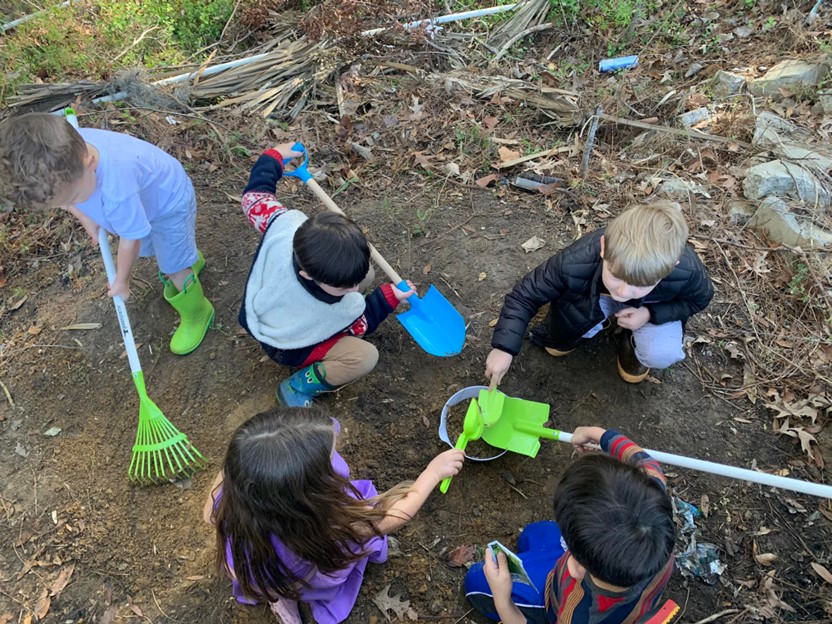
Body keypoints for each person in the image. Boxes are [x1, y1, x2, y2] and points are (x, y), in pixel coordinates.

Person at [203, 406, 465, 624]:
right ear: (309, 495)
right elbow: (395, 516)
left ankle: (280, 601)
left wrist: (236, 465)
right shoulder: (330, 525)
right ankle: (293, 596)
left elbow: (209, 514)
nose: (339, 458)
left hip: (260, 574)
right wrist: (432, 473)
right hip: (304, 575)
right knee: (341, 555)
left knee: (276, 585)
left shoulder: (231, 500)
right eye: (332, 458)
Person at [0, 113, 212, 355]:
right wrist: (83, 214)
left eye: (73, 198)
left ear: (88, 162)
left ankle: (198, 312)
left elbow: (130, 240)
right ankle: (188, 257)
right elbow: (67, 199)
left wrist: (122, 280)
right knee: (169, 249)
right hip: (147, 200)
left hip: (169, 205)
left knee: (172, 267)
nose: (71, 204)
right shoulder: (65, 148)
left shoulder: (117, 190)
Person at [238, 143, 414, 406]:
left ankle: (348, 282)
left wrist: (273, 157)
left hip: (268, 310)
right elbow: (360, 325)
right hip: (290, 345)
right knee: (364, 357)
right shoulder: (322, 308)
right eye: (344, 289)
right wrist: (387, 298)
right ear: (308, 276)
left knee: (365, 273)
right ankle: (297, 387)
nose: (353, 291)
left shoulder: (286, 228)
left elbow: (255, 198)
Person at [464, 426, 678, 624]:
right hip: (596, 570)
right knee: (531, 534)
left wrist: (503, 600)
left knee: (476, 581)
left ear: (574, 564)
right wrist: (596, 433)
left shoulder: (578, 614)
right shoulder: (656, 515)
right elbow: (646, 462)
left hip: (550, 601)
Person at [485, 201, 713, 385]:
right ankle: (587, 325)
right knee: (556, 346)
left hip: (650, 305)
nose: (623, 292)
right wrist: (503, 348)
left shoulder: (687, 271)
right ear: (603, 248)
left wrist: (650, 314)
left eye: (640, 284)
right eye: (615, 275)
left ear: (671, 266)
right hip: (592, 297)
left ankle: (633, 343)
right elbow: (525, 295)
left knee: (661, 354)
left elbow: (699, 300)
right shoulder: (574, 261)